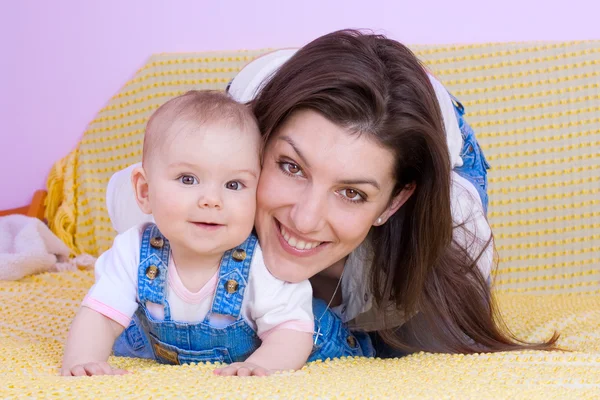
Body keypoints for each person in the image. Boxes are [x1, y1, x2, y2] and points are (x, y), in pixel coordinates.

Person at [107, 30, 557, 358]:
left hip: (445, 139)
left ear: (393, 202)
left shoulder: (453, 239)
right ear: (259, 149)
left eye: (352, 194)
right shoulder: (181, 194)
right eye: (290, 167)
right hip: (280, 81)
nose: (304, 219)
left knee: (410, 338)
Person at [61, 90, 372, 378]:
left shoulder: (262, 263)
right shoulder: (133, 250)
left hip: (310, 342)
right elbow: (100, 316)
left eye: (233, 185)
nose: (211, 199)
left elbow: (291, 332)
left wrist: (257, 368)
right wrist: (84, 362)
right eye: (187, 179)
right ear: (144, 191)